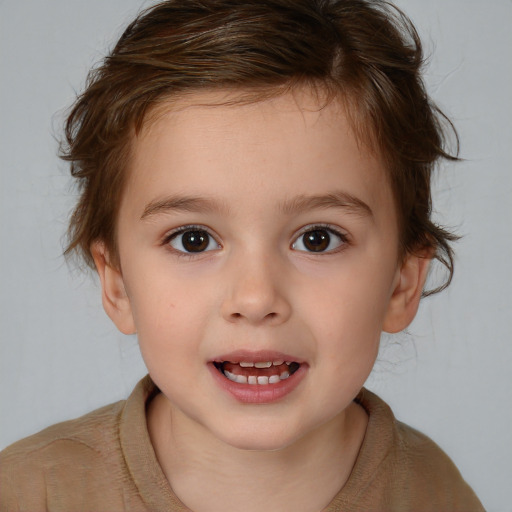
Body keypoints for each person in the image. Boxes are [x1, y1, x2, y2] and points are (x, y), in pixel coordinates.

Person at [0, 0, 485, 510]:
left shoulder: (437, 495)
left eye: (318, 238)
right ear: (117, 281)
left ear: (403, 282)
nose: (255, 299)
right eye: (194, 240)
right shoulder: (31, 493)